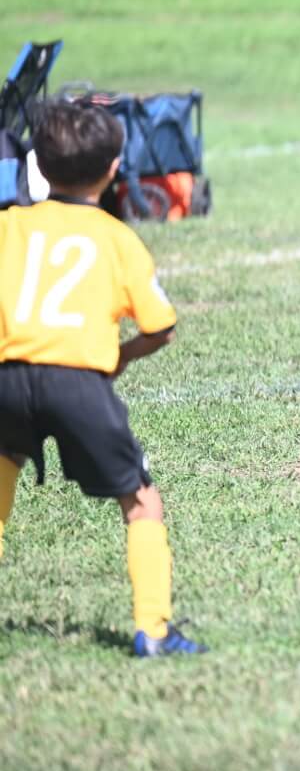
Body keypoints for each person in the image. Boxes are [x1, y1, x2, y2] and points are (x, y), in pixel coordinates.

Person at [0, 102, 203, 656]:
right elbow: (161, 328)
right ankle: (154, 630)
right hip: (78, 384)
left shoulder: (9, 225)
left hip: (8, 378)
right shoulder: (117, 238)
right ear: (114, 169)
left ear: (36, 163)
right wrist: (121, 357)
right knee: (141, 502)